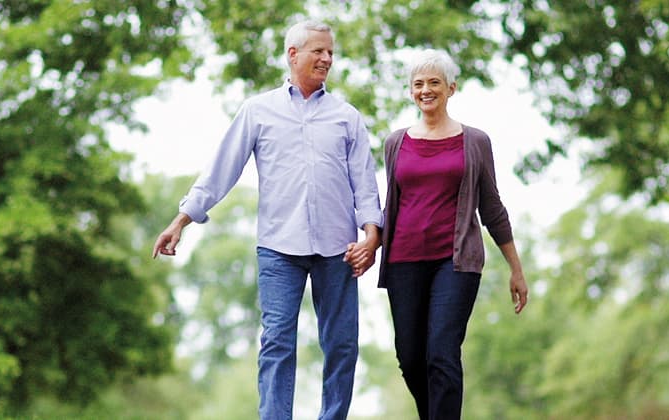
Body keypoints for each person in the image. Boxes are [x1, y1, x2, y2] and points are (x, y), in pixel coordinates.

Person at [152, 20, 382, 420]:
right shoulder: (258, 111)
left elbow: (365, 186)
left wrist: (372, 237)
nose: (327, 59)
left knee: (342, 344)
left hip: (338, 249)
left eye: (331, 52)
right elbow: (221, 169)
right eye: (318, 51)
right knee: (277, 341)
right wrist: (180, 220)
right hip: (279, 247)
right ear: (293, 54)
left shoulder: (347, 117)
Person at [371, 49, 529, 419]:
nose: (426, 90)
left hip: (455, 262)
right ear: (411, 92)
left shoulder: (474, 141)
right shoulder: (396, 143)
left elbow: (492, 207)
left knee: (441, 352)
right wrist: (370, 243)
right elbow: (389, 206)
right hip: (403, 261)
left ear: (451, 88)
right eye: (418, 84)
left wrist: (516, 269)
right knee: (410, 358)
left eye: (434, 83)